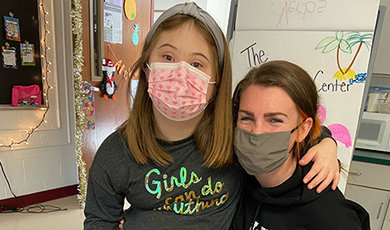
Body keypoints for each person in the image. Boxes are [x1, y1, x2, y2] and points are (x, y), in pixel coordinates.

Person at [84, 3, 339, 230]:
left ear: (216, 80)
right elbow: (99, 219)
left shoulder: (234, 133)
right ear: (148, 66)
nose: (180, 72)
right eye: (168, 57)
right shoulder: (117, 151)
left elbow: (283, 130)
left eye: (197, 64)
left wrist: (327, 143)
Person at [229, 60, 370, 230]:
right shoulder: (233, 179)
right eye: (246, 118)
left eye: (275, 120)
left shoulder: (331, 216)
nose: (257, 132)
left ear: (303, 130)